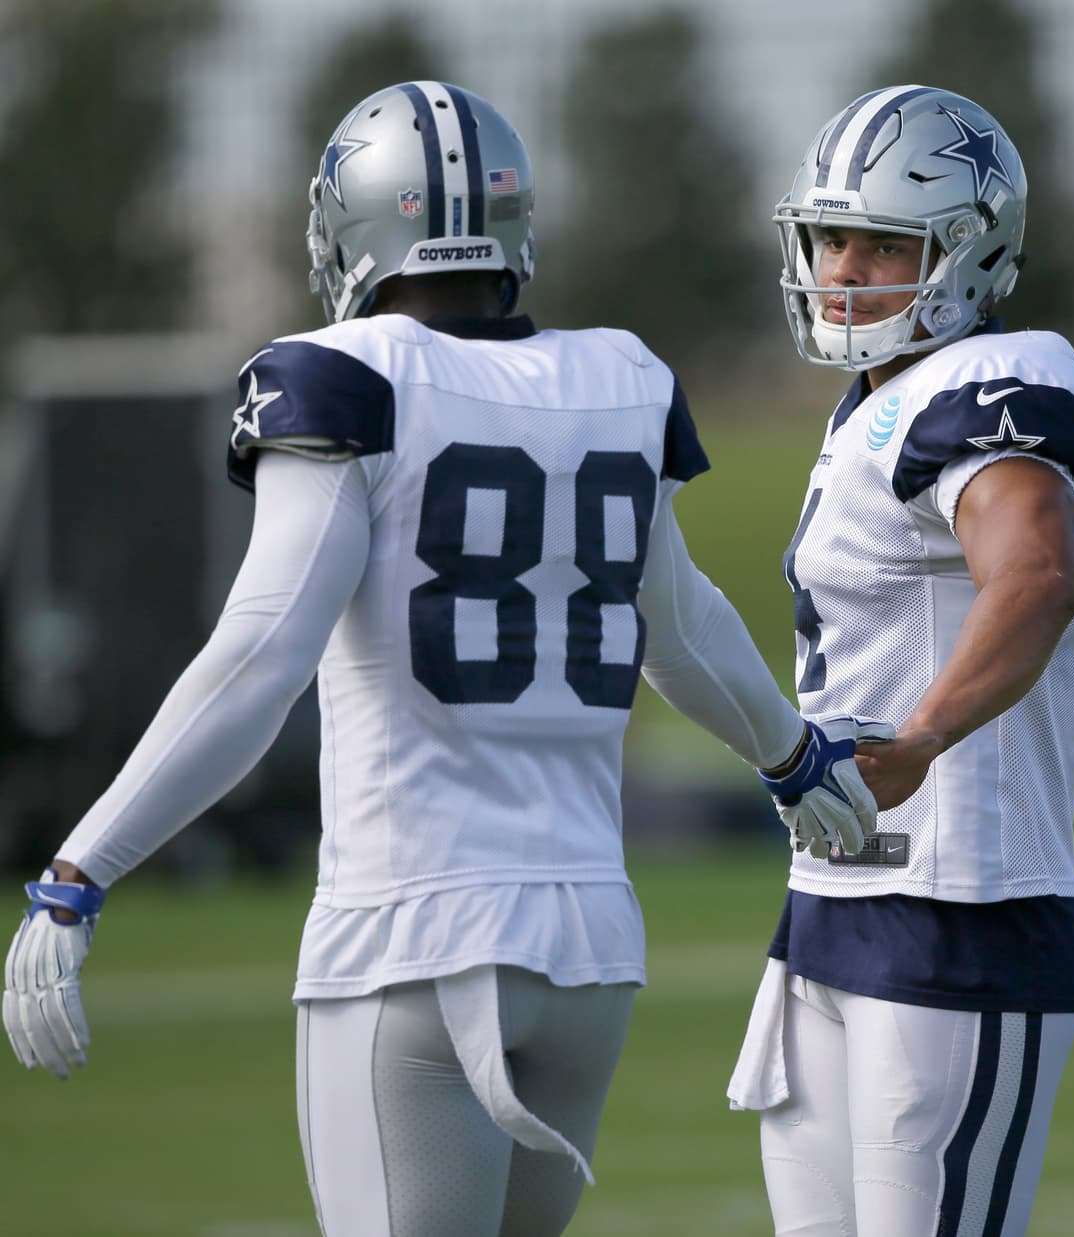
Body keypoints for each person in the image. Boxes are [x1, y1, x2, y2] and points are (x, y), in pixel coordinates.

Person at [2, 83, 885, 1237]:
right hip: (587, 951)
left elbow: (261, 655)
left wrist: (81, 870)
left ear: (350, 229)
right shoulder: (620, 375)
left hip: (410, 938)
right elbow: (682, 625)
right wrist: (786, 755)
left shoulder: (344, 375)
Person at [727, 84, 1074, 1236]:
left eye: (882, 241)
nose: (841, 268)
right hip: (832, 900)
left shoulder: (997, 379)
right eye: (830, 236)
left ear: (967, 251)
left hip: (962, 903)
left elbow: (1036, 575)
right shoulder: (871, 404)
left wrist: (922, 734)